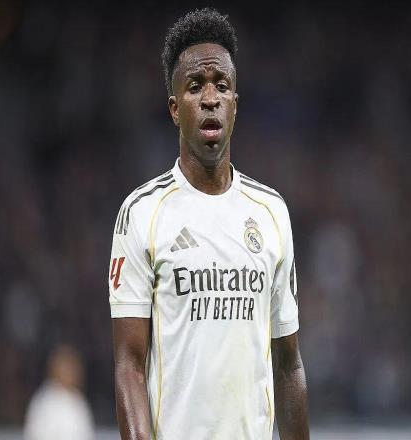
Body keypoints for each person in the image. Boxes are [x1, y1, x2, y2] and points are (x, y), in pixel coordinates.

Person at [109, 8, 309, 439]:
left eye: (222, 85)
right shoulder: (142, 213)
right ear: (174, 108)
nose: (211, 97)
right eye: (195, 86)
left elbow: (288, 364)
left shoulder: (271, 212)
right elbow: (129, 365)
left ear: (235, 103)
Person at [23, 344, 95, 440]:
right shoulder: (45, 403)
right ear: (55, 369)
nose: (73, 373)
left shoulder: (78, 399)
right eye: (68, 368)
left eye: (75, 368)